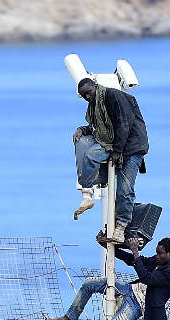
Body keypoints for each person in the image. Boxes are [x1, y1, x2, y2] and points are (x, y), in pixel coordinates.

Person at [71, 76, 149, 242]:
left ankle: (121, 227)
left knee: (124, 189)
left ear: (95, 87)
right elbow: (100, 128)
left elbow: (124, 123)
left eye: (88, 93)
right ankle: (87, 195)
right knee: (88, 155)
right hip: (114, 145)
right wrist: (83, 130)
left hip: (131, 147)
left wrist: (117, 151)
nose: (87, 97)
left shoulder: (113, 96)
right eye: (83, 96)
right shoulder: (95, 105)